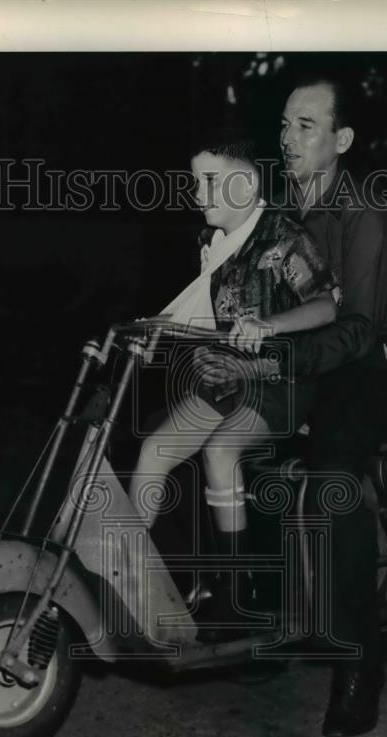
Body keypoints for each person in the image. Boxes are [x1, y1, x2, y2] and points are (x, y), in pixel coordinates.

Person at [130, 130, 339, 636]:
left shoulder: (284, 237)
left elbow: (331, 303)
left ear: (245, 187)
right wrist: (155, 329)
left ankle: (237, 589)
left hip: (282, 382)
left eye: (209, 181)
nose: (197, 193)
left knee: (220, 452)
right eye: (194, 181)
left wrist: (270, 327)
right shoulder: (213, 244)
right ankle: (136, 578)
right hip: (227, 383)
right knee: (153, 452)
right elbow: (202, 315)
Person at [271, 75, 387, 737]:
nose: (289, 138)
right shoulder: (281, 214)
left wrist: (283, 361)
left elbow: (358, 328)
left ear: (343, 140)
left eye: (306, 125)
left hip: (376, 360)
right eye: (284, 124)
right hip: (312, 357)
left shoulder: (367, 217)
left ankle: (360, 666)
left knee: (332, 474)